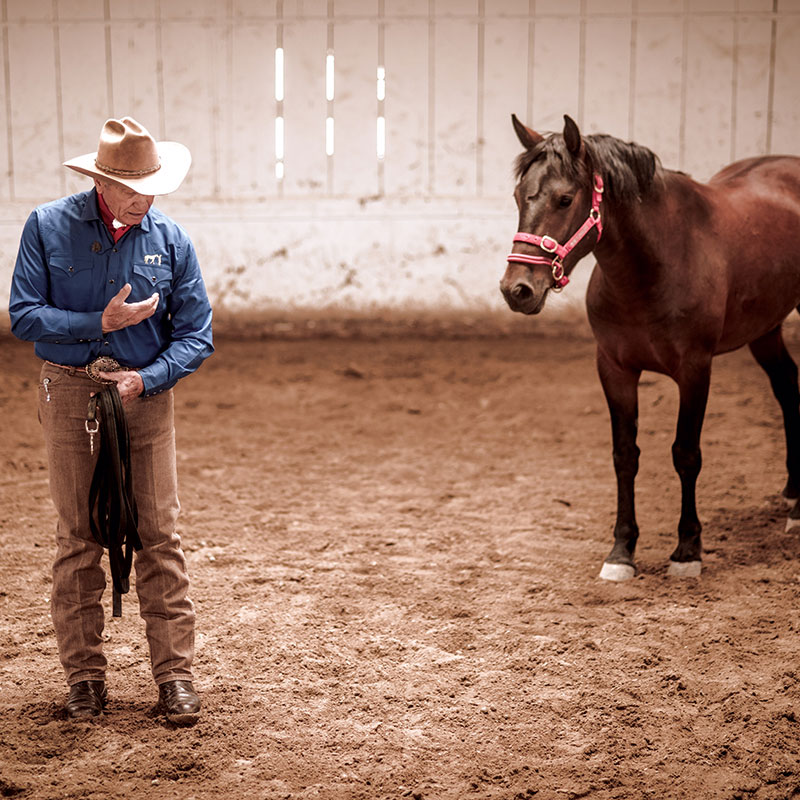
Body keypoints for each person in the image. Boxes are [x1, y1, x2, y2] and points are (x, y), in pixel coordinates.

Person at [8, 117, 213, 724]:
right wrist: (99, 324)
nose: (145, 197)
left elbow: (197, 335)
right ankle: (85, 679)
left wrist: (145, 377)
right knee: (78, 538)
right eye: (133, 186)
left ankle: (174, 676)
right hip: (70, 391)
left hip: (144, 399)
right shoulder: (47, 227)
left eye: (152, 185)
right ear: (101, 181)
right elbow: (24, 316)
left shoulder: (171, 239)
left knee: (160, 534)